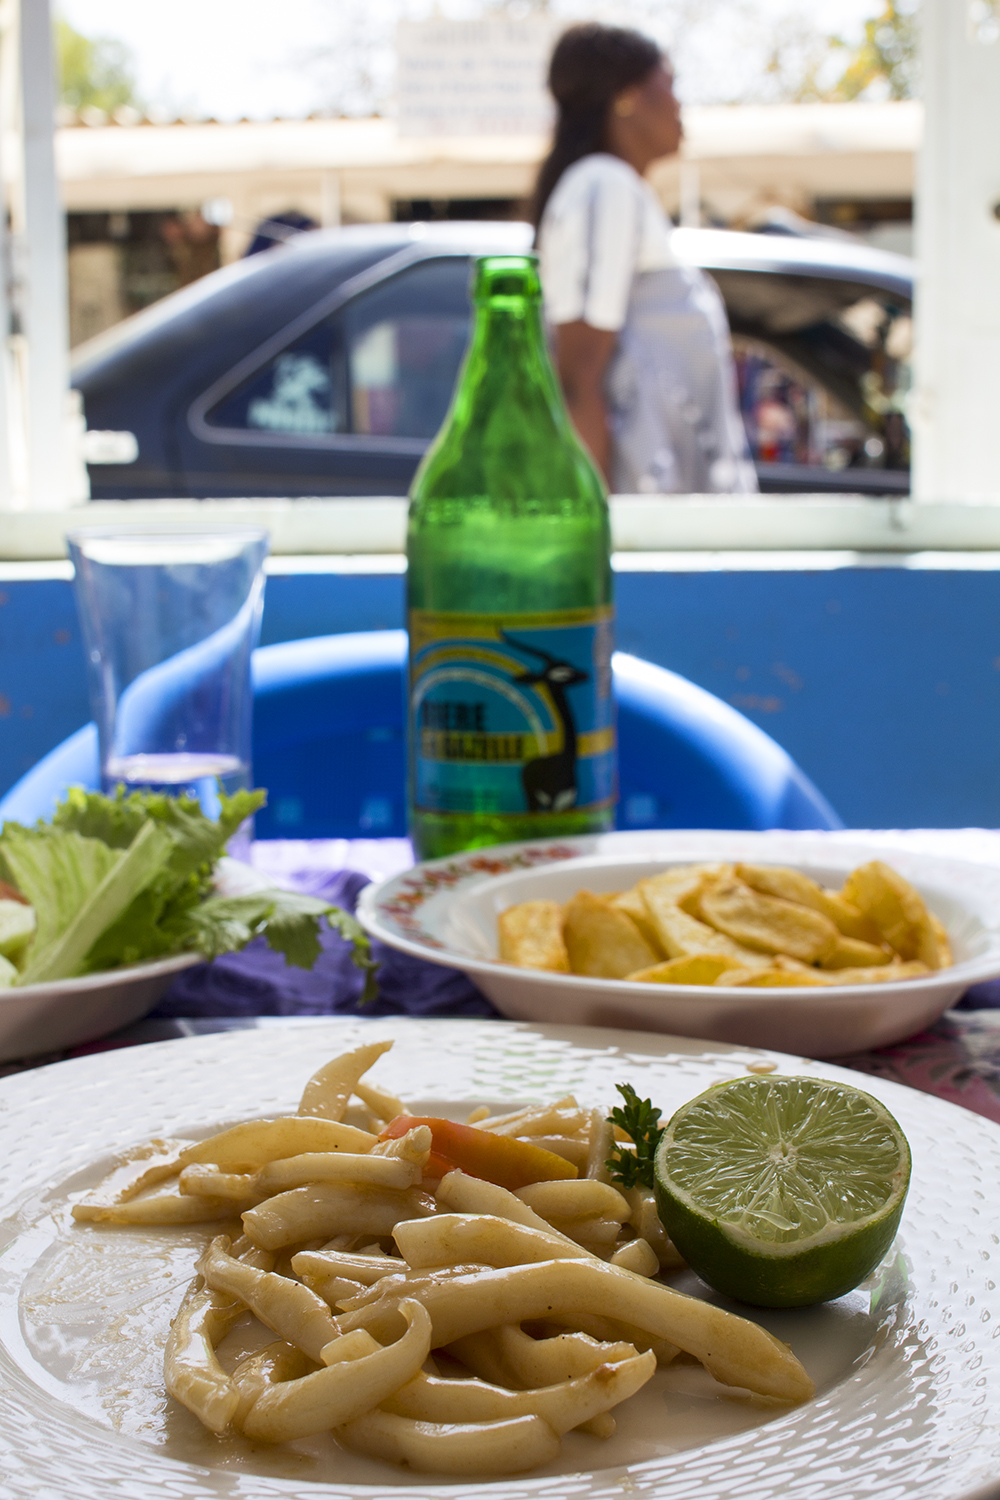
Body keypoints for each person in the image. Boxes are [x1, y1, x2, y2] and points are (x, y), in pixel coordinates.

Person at [534, 23, 757, 495]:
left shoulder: (617, 190)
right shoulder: (603, 185)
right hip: (641, 527)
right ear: (626, 97)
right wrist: (597, 537)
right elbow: (577, 378)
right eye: (669, 84)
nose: (679, 104)